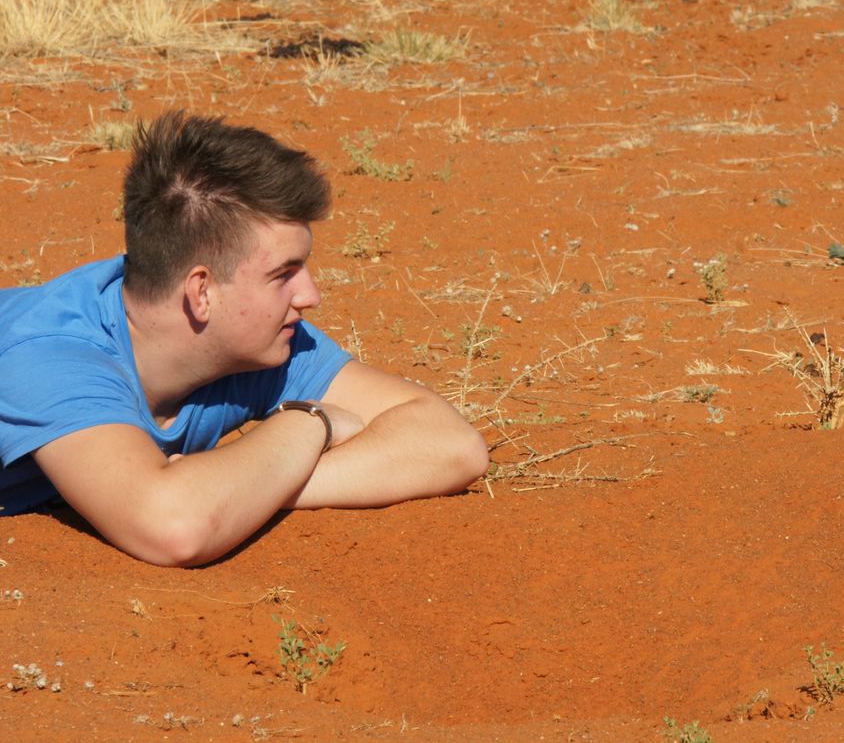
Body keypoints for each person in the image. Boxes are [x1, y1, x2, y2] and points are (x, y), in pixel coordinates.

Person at [0, 111, 489, 567]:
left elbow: (451, 444)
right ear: (202, 291)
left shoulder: (257, 344)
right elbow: (172, 526)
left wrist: (255, 484)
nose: (311, 295)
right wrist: (308, 424)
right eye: (284, 274)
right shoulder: (48, 357)